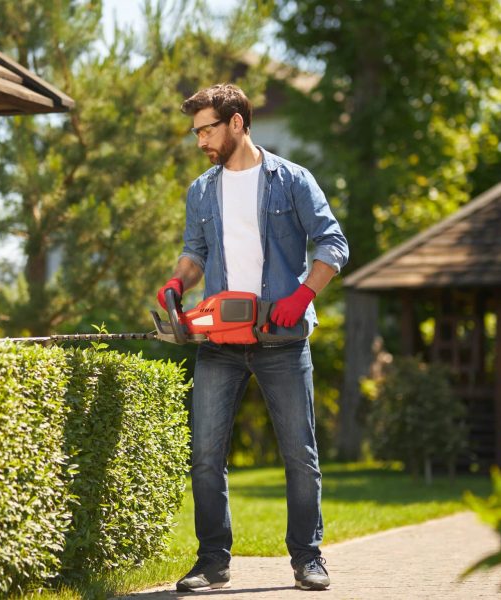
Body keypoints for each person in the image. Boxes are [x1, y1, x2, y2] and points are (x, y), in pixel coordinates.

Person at [157, 84, 349, 592]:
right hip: (220, 342)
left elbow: (333, 243)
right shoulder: (201, 190)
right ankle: (212, 561)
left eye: (208, 129)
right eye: (197, 131)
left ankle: (308, 557)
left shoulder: (291, 180)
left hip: (282, 341)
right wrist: (179, 280)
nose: (201, 140)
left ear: (237, 123)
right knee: (205, 456)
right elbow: (194, 253)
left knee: (299, 455)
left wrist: (303, 296)